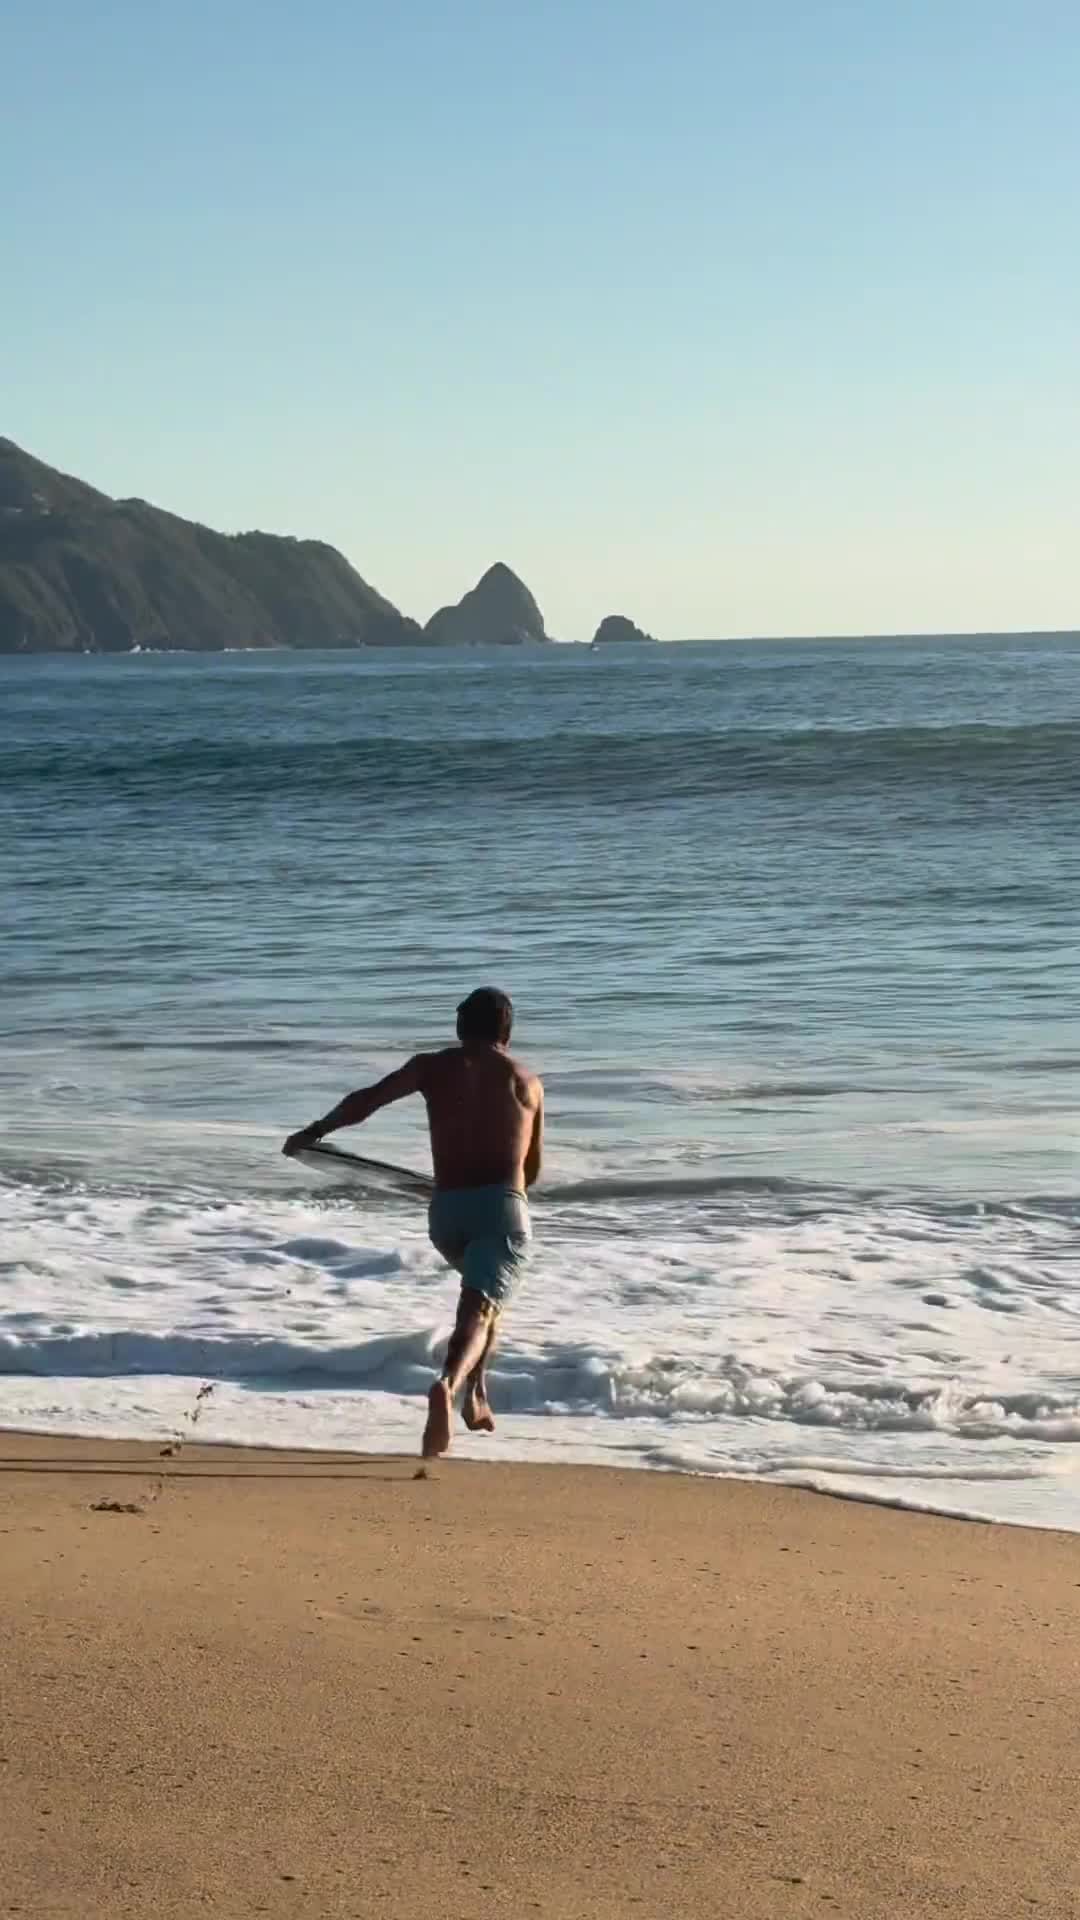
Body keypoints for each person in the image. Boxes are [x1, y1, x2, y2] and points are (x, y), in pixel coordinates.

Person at [283, 987, 543, 1459]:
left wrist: (314, 1132)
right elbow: (532, 1170)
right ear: (508, 1031)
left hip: (445, 1212)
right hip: (502, 1208)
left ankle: (477, 1395)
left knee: (483, 1298)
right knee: (481, 1308)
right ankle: (449, 1384)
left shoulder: (431, 1066)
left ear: (461, 1026)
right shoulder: (527, 1082)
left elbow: (366, 1101)